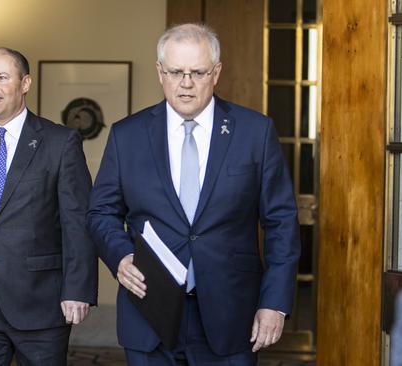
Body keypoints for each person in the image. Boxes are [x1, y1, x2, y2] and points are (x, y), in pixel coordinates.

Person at [87, 24, 300, 365]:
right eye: (175, 72)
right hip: (148, 311)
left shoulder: (254, 132)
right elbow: (100, 213)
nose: (186, 83)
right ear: (160, 72)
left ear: (216, 72)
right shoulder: (127, 135)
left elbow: (282, 222)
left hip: (232, 316)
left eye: (197, 72)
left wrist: (274, 302)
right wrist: (121, 257)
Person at [0, 47, 97, 366]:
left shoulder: (60, 142)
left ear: (25, 83)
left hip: (41, 301)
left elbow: (78, 220)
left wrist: (78, 289)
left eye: (1, 77)